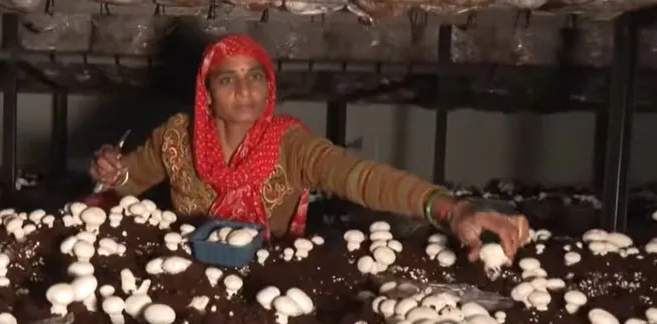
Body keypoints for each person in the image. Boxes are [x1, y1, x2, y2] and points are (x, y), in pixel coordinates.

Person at [88, 34, 529, 261]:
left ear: (268, 86)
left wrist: (453, 210)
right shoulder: (175, 138)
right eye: (228, 79)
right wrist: (111, 171)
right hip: (186, 275)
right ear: (207, 94)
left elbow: (362, 178)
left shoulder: (289, 145)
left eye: (255, 76)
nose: (244, 89)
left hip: (270, 282)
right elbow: (127, 181)